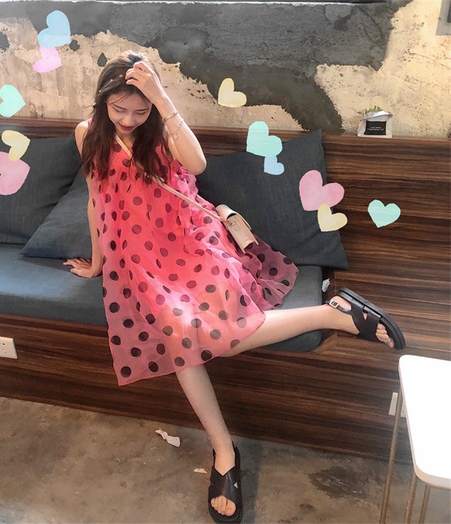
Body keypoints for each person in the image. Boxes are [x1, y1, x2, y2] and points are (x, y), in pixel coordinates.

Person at [65, 50, 405, 524]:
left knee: (204, 334)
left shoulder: (161, 129)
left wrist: (161, 100)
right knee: (180, 331)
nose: (127, 120)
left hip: (189, 239)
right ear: (102, 101)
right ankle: (226, 447)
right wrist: (99, 265)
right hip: (139, 258)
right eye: (118, 109)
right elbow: (96, 202)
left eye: (139, 111)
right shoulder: (87, 133)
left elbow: (197, 164)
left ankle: (328, 320)